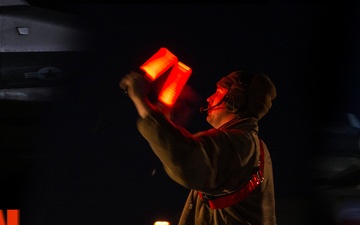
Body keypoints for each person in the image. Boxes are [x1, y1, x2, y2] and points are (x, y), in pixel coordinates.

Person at [119, 69, 277, 225]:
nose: (209, 98)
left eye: (218, 92)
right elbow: (198, 150)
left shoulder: (240, 144)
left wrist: (140, 99)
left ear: (235, 98)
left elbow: (186, 158)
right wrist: (165, 123)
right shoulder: (247, 144)